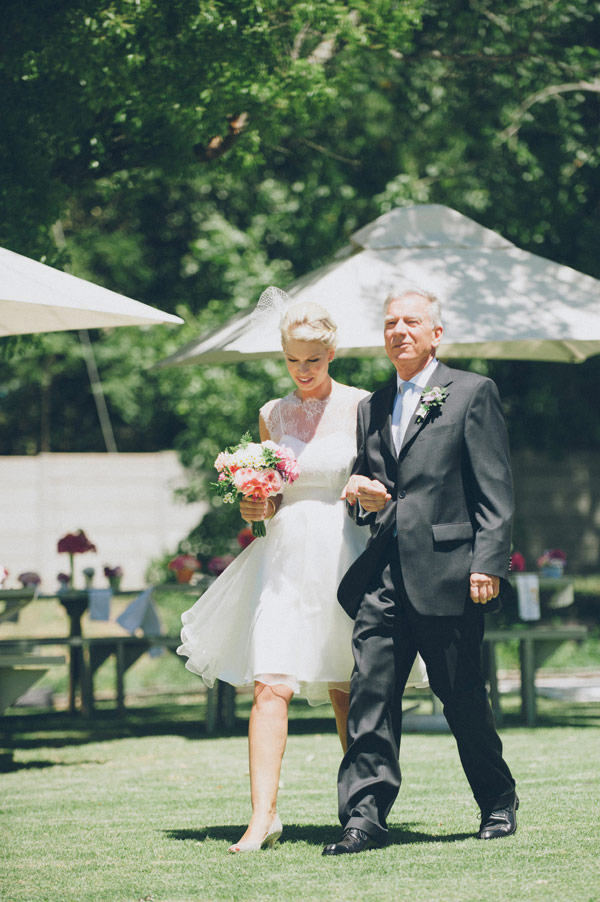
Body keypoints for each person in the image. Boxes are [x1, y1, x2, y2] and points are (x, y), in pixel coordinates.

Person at [177, 295, 428, 854]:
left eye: (313, 359)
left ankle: (362, 813)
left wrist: (369, 492)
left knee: (348, 688)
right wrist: (253, 506)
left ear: (331, 353)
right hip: (284, 560)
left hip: (346, 554)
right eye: (293, 360)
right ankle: (262, 816)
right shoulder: (272, 413)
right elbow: (267, 498)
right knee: (270, 684)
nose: (303, 371)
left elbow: (390, 487)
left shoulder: (366, 406)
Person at [322, 288, 518, 856]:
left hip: (451, 574)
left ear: (436, 334)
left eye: (412, 321)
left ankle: (498, 802)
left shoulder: (472, 392)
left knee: (462, 700)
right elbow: (373, 490)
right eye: (390, 323)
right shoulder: (371, 406)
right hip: (383, 578)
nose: (399, 330)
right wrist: (359, 497)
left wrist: (489, 564)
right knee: (370, 698)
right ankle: (364, 818)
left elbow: (495, 490)